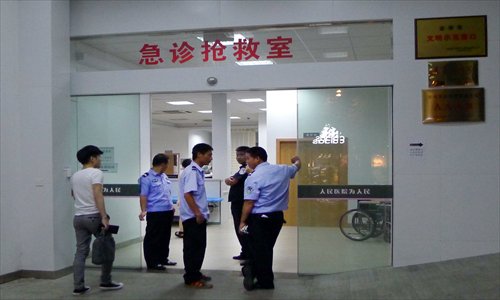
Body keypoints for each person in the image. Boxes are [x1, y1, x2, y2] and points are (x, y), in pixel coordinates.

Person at [239, 146, 301, 291]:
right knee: (266, 248)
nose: (246, 161)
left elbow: (249, 202)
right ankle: (255, 272)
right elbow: (297, 166)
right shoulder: (283, 169)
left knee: (261, 251)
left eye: (248, 158)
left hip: (259, 219)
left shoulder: (253, 177)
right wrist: (297, 160)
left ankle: (264, 281)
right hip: (277, 218)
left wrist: (242, 221)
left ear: (257, 158)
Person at [70, 145, 123, 296]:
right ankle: (106, 281)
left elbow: (73, 194)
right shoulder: (96, 173)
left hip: (78, 217)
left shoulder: (75, 175)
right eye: (99, 157)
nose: (100, 160)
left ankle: (78, 286)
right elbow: (97, 194)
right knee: (107, 246)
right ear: (92, 158)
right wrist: (104, 216)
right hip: (93, 216)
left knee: (80, 252)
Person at [179, 143, 214, 289]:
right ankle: (191, 278)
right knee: (193, 248)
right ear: (199, 154)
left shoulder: (196, 171)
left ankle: (195, 273)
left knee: (199, 247)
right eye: (208, 155)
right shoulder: (192, 171)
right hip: (194, 217)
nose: (210, 158)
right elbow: (188, 194)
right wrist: (198, 213)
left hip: (196, 216)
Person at [139, 153, 177, 271]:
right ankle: (152, 262)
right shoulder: (146, 178)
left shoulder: (164, 176)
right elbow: (143, 196)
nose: (167, 167)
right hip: (155, 212)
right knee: (153, 237)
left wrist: (171, 206)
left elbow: (166, 193)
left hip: (167, 211)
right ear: (162, 164)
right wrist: (143, 210)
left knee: (165, 237)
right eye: (166, 164)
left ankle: (163, 258)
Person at [224, 146, 251, 261]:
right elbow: (229, 180)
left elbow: (232, 181)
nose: (238, 157)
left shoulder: (247, 168)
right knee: (240, 228)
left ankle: (248, 253)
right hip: (238, 202)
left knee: (242, 228)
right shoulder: (242, 168)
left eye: (241, 154)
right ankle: (245, 251)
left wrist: (229, 181)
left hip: (241, 203)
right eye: (237, 155)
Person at [175, 158, 192, 238]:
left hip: (182, 197)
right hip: (185, 198)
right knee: (184, 216)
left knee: (183, 215)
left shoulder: (182, 173)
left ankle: (182, 230)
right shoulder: (186, 173)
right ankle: (182, 231)